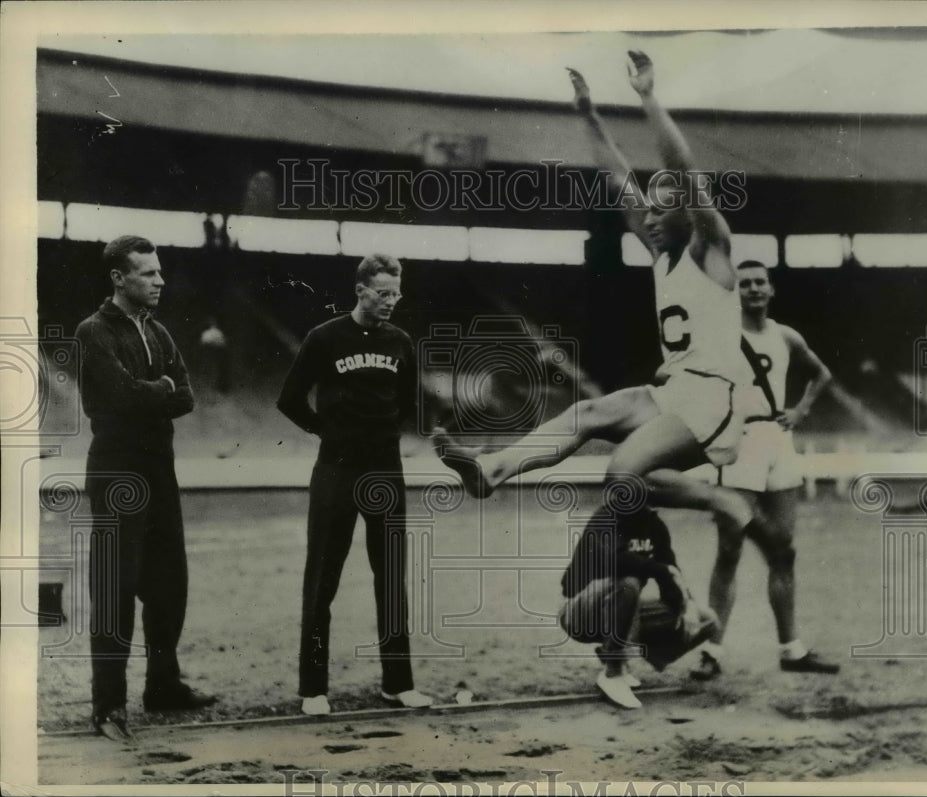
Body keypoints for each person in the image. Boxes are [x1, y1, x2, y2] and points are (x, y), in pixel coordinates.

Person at [435, 51, 762, 547]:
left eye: (660, 210)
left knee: (620, 477)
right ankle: (491, 470)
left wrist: (648, 97)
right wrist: (587, 114)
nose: (648, 218)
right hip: (675, 392)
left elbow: (684, 169)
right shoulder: (662, 259)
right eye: (647, 211)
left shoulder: (711, 250)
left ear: (686, 216)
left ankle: (722, 500)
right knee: (587, 415)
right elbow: (616, 176)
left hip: (716, 396)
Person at [277, 254, 433, 715]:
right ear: (361, 290)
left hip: (384, 469)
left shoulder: (401, 341)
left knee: (391, 578)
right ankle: (313, 689)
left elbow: (405, 402)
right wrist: (328, 431)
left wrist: (377, 435)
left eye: (396, 293)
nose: (391, 302)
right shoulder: (324, 338)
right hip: (336, 469)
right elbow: (289, 399)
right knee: (322, 579)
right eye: (382, 293)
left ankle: (397, 683)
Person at [76, 235, 217, 741]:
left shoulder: (158, 332)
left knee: (169, 583)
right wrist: (159, 390)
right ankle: (107, 706)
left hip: (160, 469)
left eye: (159, 272)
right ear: (119, 278)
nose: (160, 281)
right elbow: (119, 396)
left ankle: (163, 686)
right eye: (148, 273)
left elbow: (188, 397)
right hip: (117, 472)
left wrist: (152, 392)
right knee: (115, 588)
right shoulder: (93, 331)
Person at [691, 261, 840, 679]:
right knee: (729, 551)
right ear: (735, 292)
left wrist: (801, 410)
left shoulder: (785, 336)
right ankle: (712, 652)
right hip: (738, 446)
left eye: (760, 282)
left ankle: (791, 650)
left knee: (783, 551)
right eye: (745, 284)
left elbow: (821, 373)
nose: (753, 289)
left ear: (771, 290)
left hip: (777, 441)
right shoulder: (721, 335)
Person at [560, 502, 718, 709]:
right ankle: (612, 673)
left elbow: (671, 573)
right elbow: (615, 562)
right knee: (628, 583)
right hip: (580, 612)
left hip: (622, 609)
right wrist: (659, 569)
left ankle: (622, 657)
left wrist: (684, 604)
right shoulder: (606, 516)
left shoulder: (653, 523)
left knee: (707, 619)